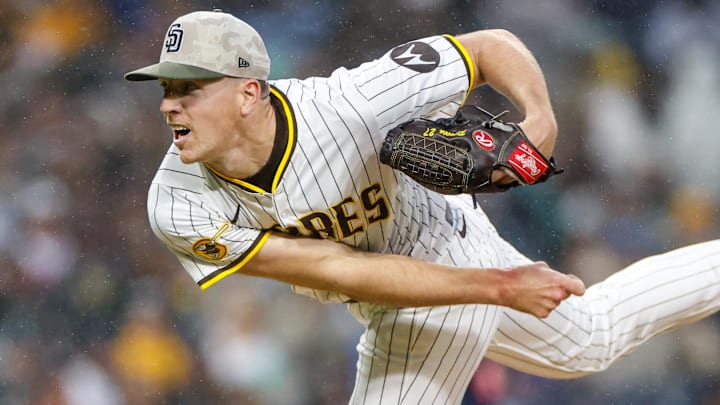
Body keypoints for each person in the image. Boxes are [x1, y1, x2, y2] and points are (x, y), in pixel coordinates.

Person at [124, 9, 720, 404]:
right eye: (167, 89)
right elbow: (338, 269)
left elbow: (488, 47)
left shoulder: (351, 104)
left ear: (249, 92)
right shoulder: (176, 203)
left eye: (188, 90)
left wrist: (539, 123)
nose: (168, 106)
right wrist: (500, 286)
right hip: (405, 285)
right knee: (590, 338)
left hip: (444, 254)